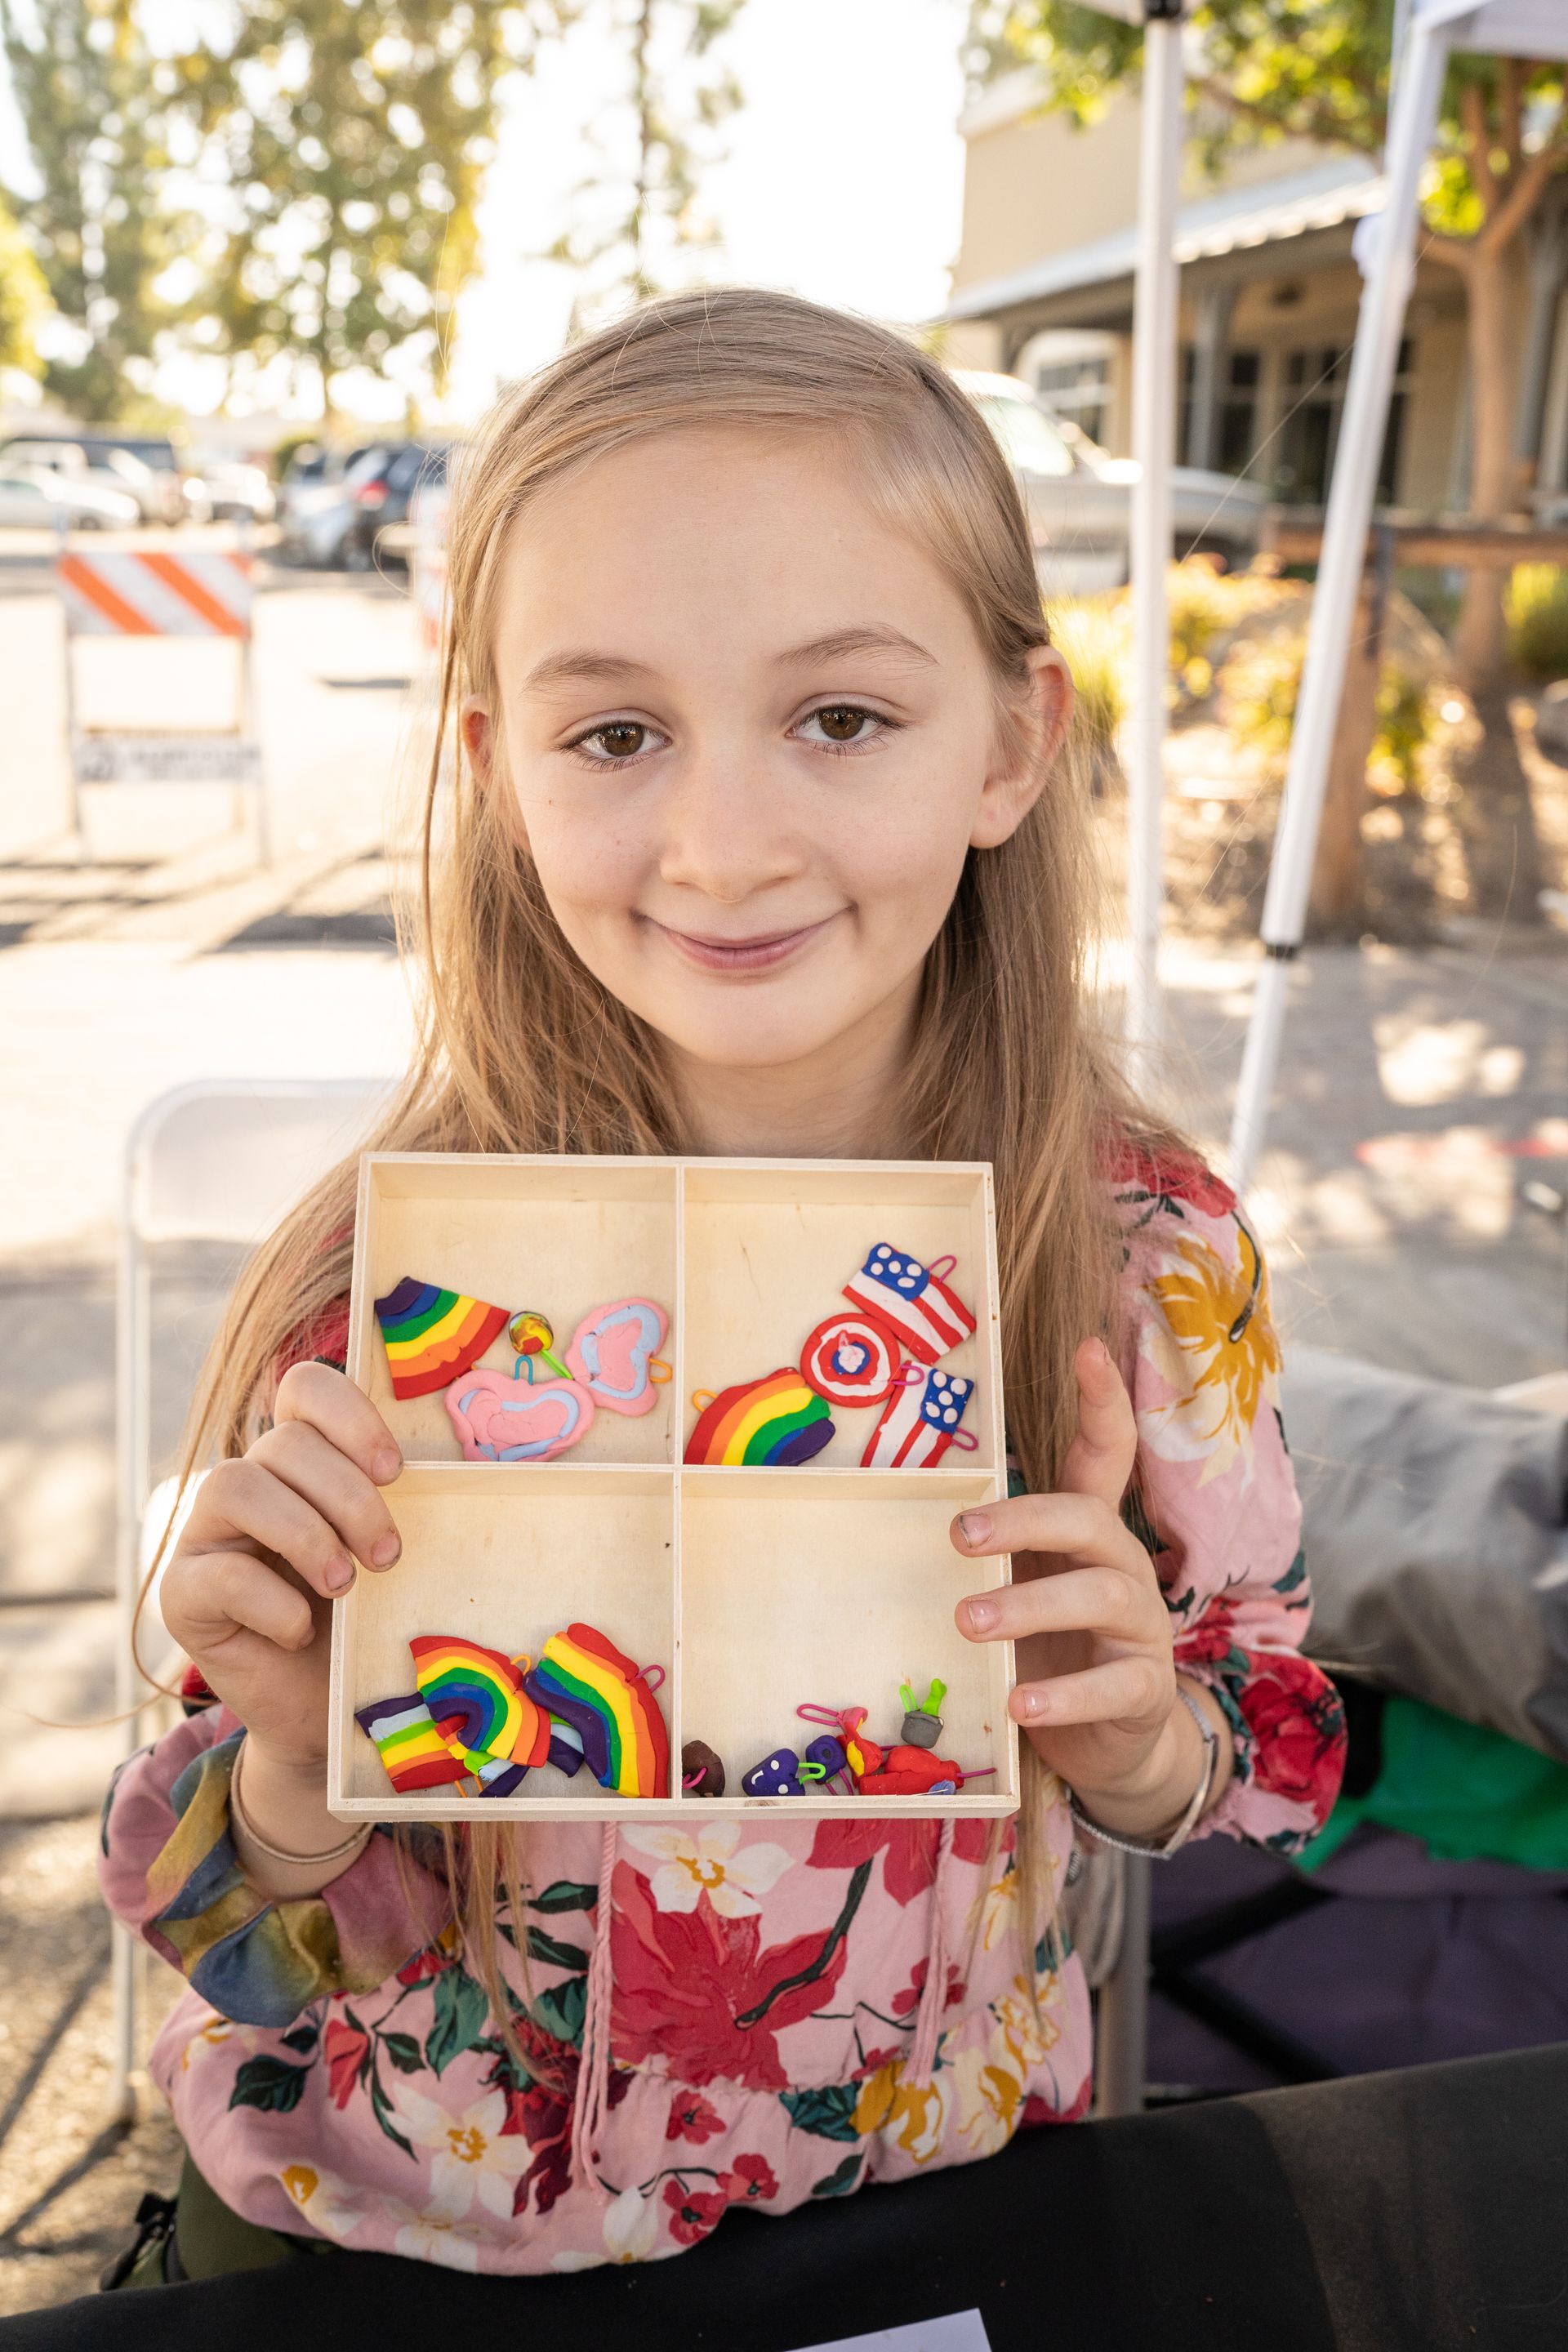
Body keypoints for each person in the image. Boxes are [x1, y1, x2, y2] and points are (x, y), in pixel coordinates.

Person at [98, 290, 1345, 2283]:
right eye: (618, 734)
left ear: (1014, 742)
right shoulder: (382, 1298)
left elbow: (1276, 1726)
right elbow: (241, 1942)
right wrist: (300, 1772)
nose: (723, 843)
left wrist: (1143, 1745)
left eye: (840, 718)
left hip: (904, 2235)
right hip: (374, 2238)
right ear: (505, 769)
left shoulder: (1139, 1258)